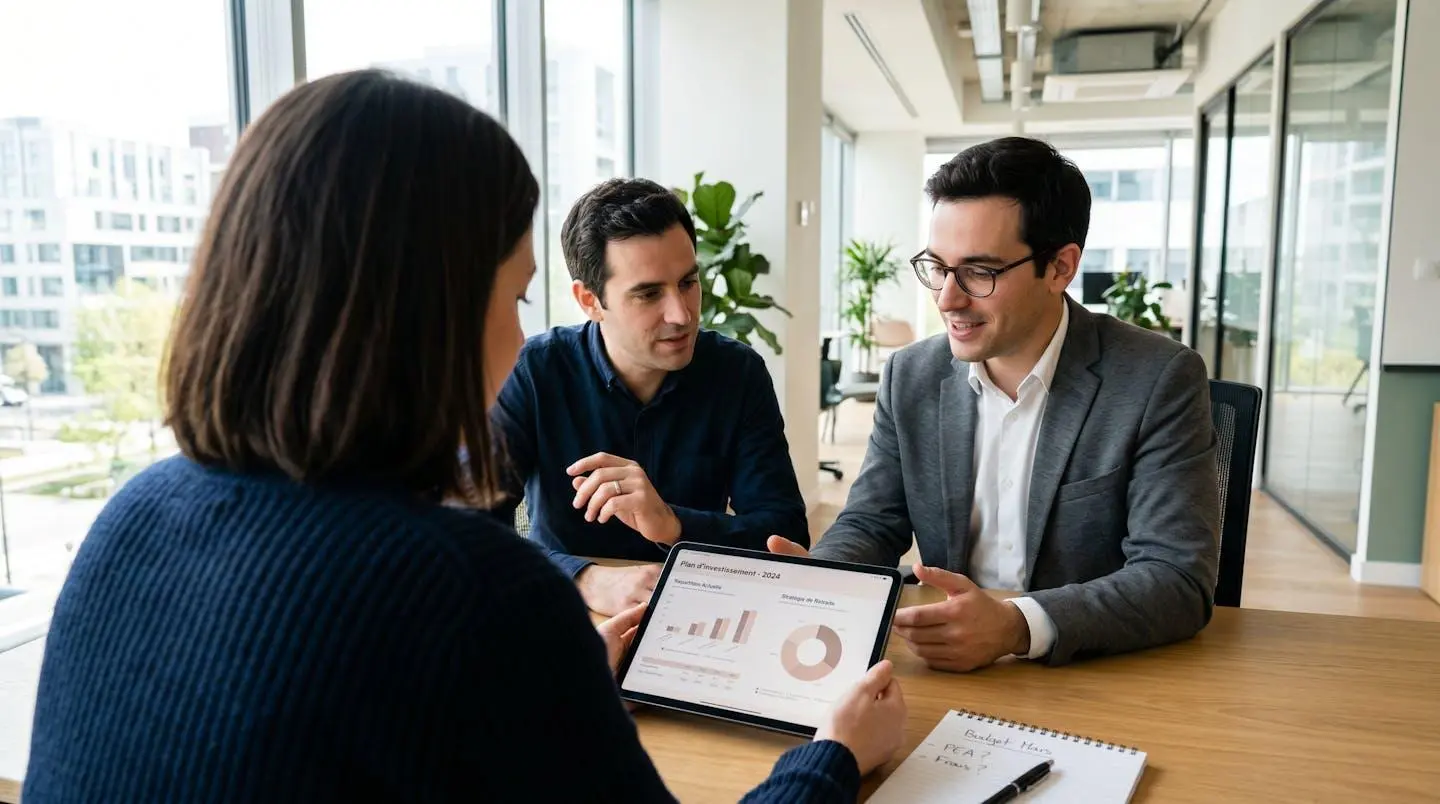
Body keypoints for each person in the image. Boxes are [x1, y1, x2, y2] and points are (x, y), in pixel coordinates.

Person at [23, 70, 905, 803]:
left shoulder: (131, 513)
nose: (519, 339)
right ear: (426, 315)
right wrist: (831, 753)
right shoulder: (474, 593)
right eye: (513, 298)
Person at [769, 136, 1219, 670]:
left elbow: (1177, 577)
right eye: (938, 267)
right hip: (946, 661)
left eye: (979, 273)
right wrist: (823, 579)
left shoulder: (1156, 378)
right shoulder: (910, 375)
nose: (947, 299)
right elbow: (871, 523)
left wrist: (1016, 625)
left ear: (1060, 267)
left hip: (1095, 669)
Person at [490, 177, 809, 615]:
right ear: (590, 300)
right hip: (565, 615)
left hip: (704, 615)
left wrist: (673, 523)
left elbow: (786, 534)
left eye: (688, 283)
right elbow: (471, 529)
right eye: (648, 293)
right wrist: (583, 578)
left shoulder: (738, 373)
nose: (681, 314)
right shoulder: (535, 371)